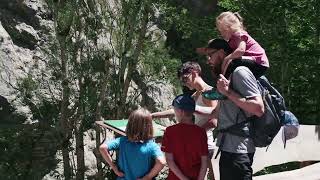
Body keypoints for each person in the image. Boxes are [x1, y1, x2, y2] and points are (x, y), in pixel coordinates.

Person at [199, 38, 265, 180]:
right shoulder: (227, 77)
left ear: (222, 53)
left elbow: (259, 109)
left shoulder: (240, 72)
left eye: (210, 55)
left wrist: (228, 92)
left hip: (239, 150)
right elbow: (216, 113)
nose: (208, 60)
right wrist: (188, 110)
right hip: (227, 148)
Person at [152, 61, 217, 179]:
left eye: (185, 79)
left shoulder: (209, 93)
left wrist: (191, 134)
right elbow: (178, 110)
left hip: (204, 143)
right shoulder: (196, 95)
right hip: (194, 141)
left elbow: (214, 120)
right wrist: (152, 115)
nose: (184, 83)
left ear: (194, 73)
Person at [99, 108, 165, 180]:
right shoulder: (151, 146)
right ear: (149, 127)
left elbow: (103, 148)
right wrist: (147, 177)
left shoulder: (122, 141)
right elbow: (161, 162)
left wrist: (114, 167)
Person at [161, 94, 208, 180]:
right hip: (195, 176)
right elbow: (204, 161)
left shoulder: (170, 131)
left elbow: (169, 160)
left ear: (181, 112)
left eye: (175, 110)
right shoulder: (201, 132)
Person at [215, 11, 269, 79]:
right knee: (231, 62)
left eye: (223, 31)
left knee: (232, 62)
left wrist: (227, 58)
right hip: (256, 63)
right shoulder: (232, 40)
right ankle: (225, 80)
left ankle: (224, 80)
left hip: (258, 62)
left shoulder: (238, 34)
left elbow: (241, 50)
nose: (222, 34)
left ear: (230, 28)